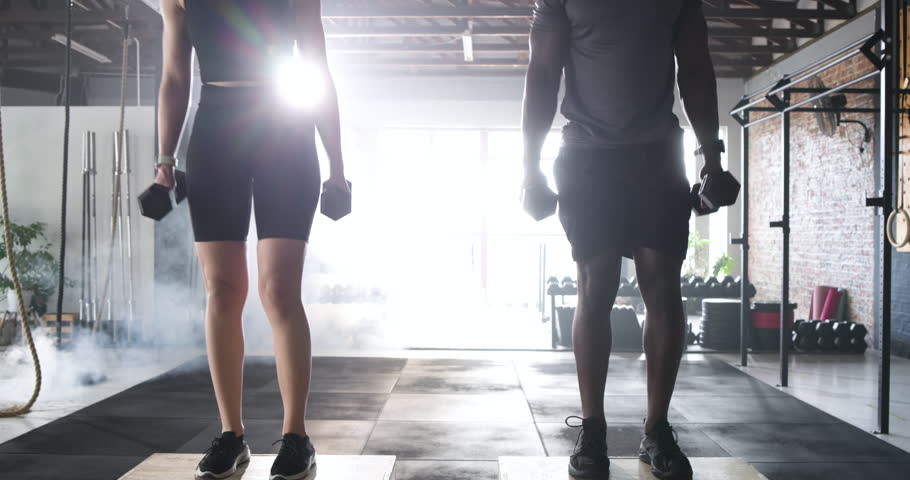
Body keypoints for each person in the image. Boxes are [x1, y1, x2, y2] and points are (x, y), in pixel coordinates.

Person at [521, 2, 723, 479]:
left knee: (663, 287)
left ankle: (656, 430)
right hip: (587, 154)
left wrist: (712, 160)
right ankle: (593, 429)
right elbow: (543, 72)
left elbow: (695, 67)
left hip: (657, 155)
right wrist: (529, 168)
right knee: (596, 286)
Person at [157, 1, 348, 478]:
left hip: (284, 130)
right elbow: (175, 77)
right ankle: (231, 435)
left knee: (278, 290)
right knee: (222, 290)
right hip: (215, 134)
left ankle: (297, 437)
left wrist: (338, 166)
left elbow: (318, 71)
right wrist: (164, 160)